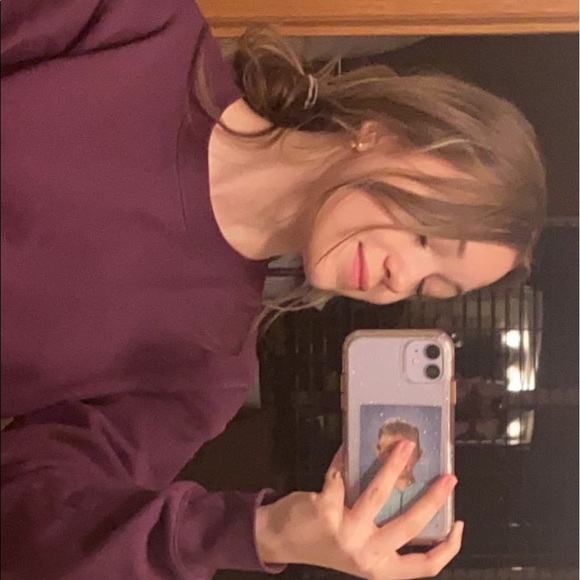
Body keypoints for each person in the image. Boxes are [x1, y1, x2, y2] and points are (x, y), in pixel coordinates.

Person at [1, 1, 546, 578]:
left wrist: (263, 533)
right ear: (384, 133)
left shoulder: (204, 370)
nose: (401, 278)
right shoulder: (143, 29)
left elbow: (28, 523)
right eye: (426, 234)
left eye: (431, 287)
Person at [361, 419, 427, 524]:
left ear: (418, 454)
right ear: (379, 453)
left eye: (407, 450)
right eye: (390, 450)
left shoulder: (428, 494)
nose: (398, 457)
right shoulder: (363, 498)